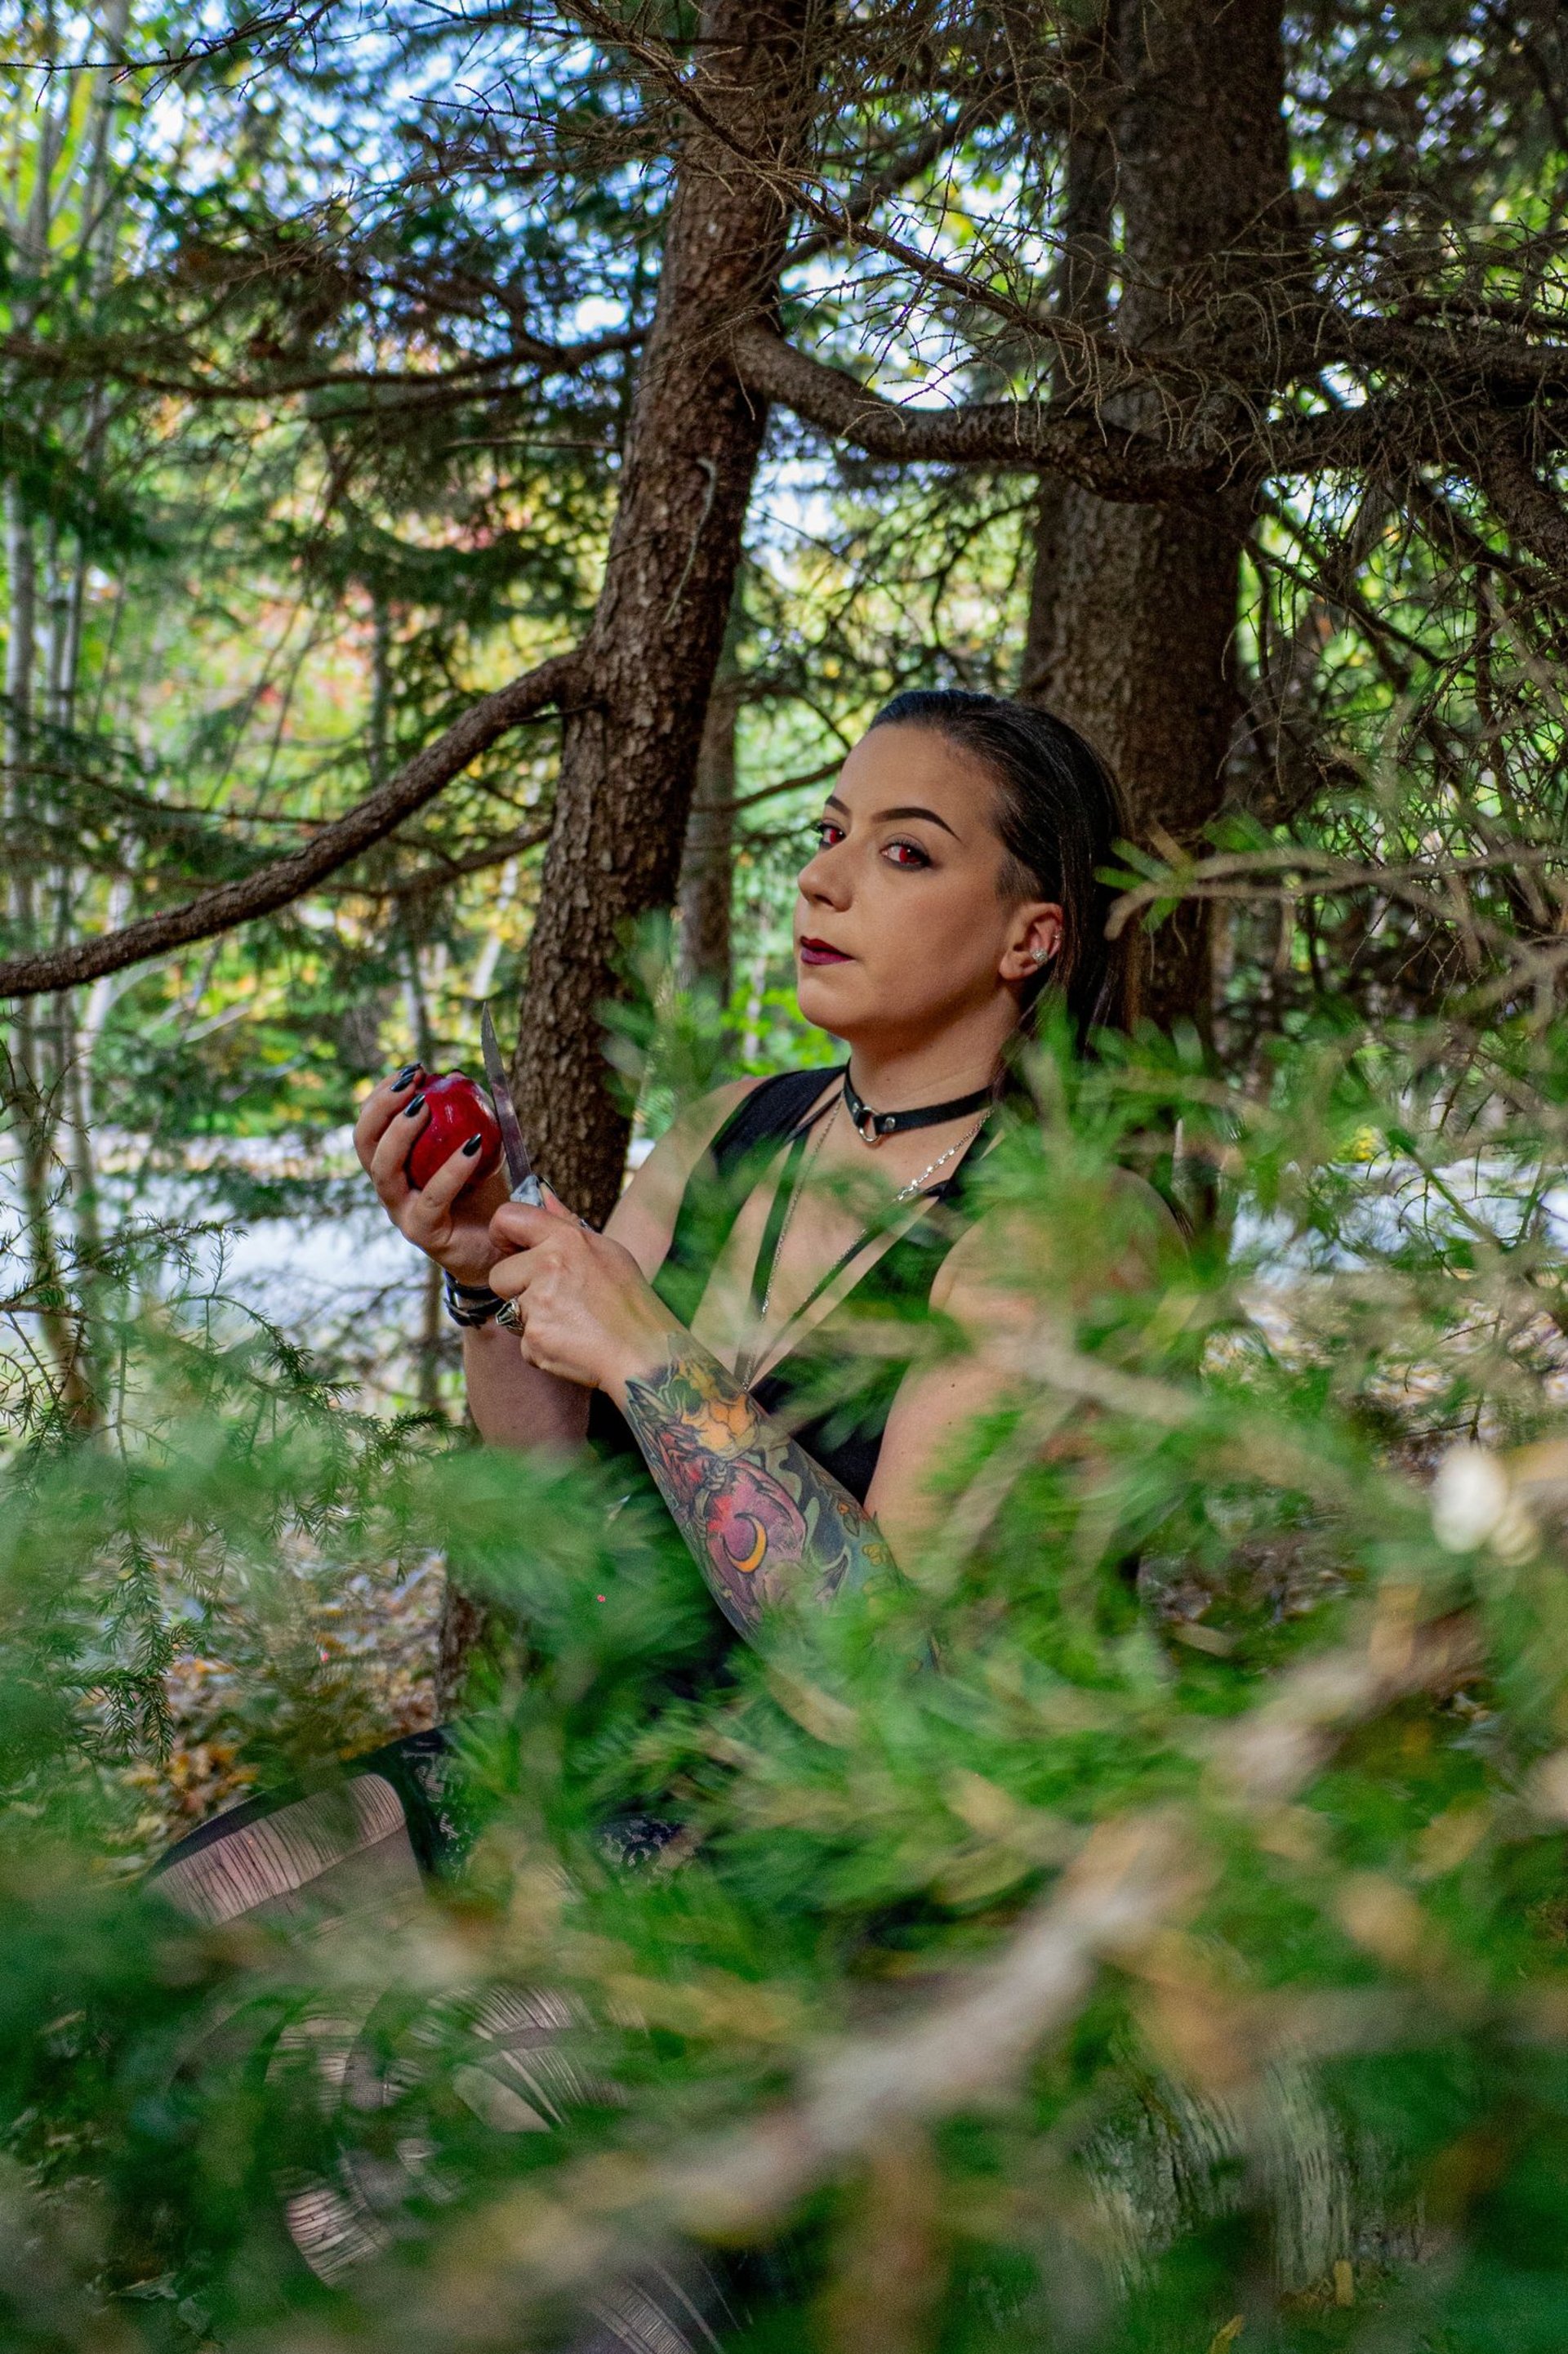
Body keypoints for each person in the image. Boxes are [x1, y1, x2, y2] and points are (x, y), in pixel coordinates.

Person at [354, 689, 1164, 1642]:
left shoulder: (1069, 1225)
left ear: (1031, 935)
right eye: (830, 832)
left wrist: (646, 1350)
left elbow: (888, 1663)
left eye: (904, 851)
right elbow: (555, 1490)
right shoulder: (730, 1128)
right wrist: (485, 1275)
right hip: (617, 1748)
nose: (822, 878)